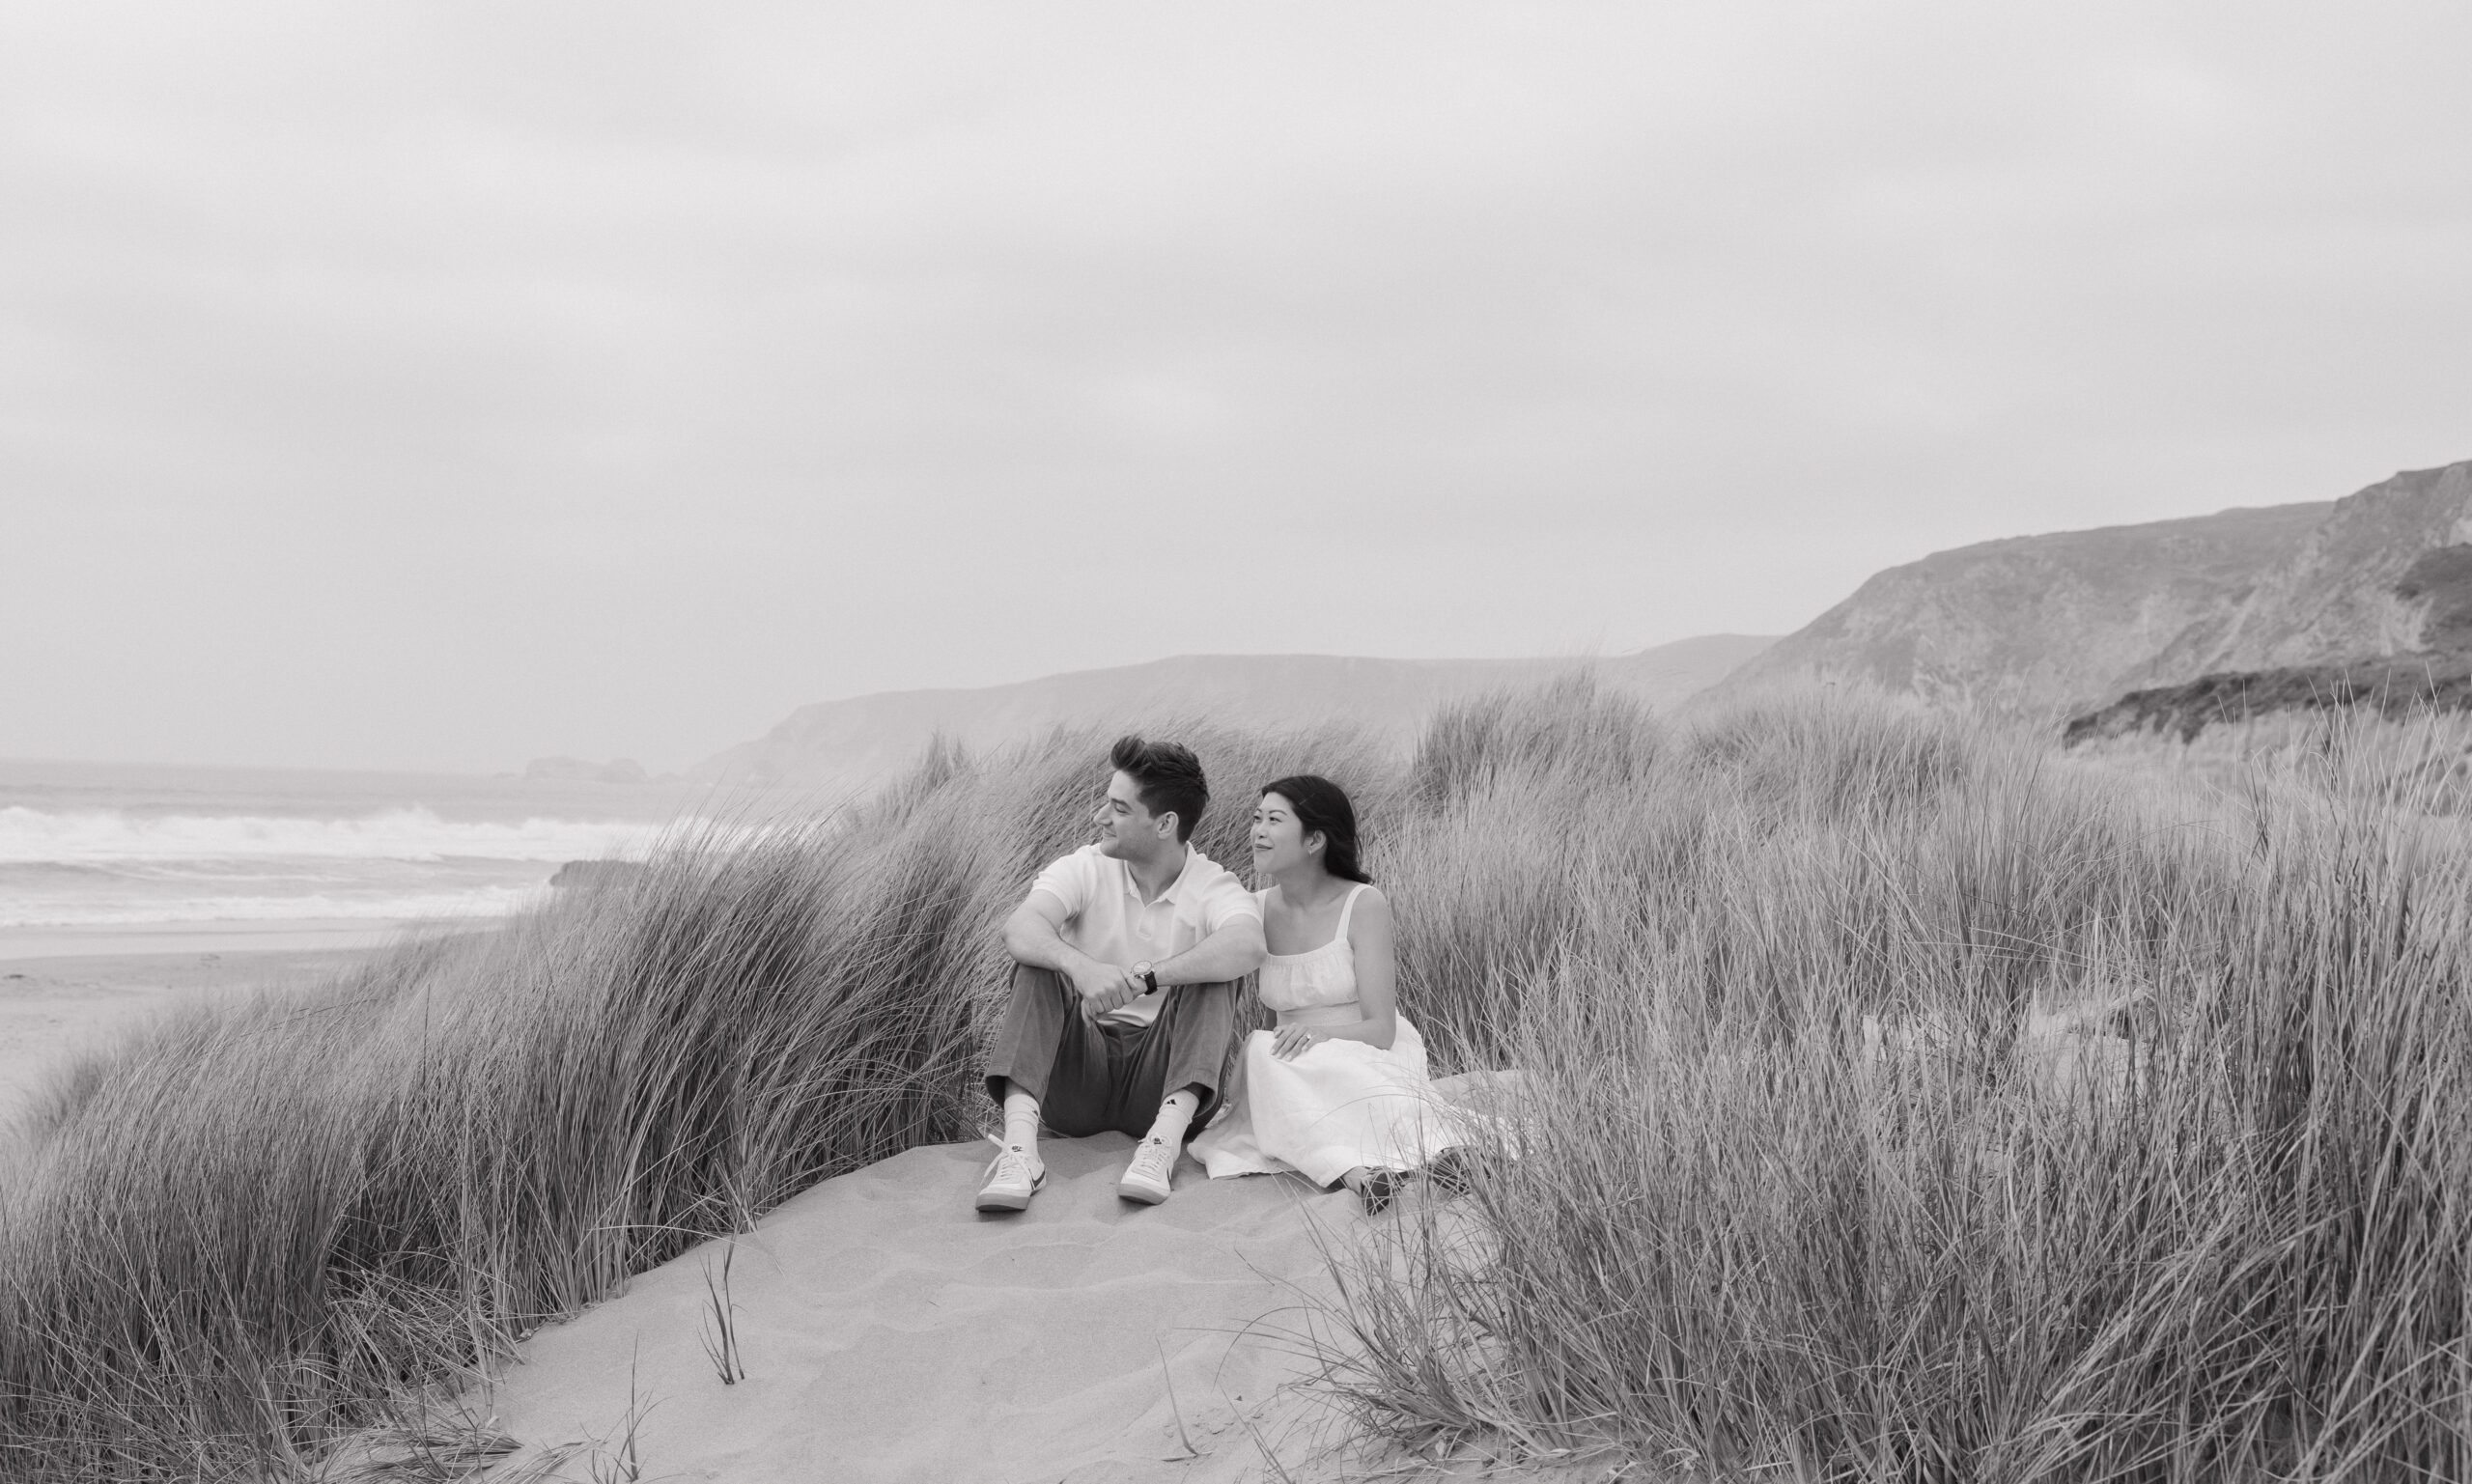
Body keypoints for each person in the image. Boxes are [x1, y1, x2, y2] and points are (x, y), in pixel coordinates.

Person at [976, 736, 1267, 1212]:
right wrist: (1080, 966)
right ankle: (1020, 1151)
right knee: (1039, 963)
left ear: (1164, 824)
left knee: (1214, 969)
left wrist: (1151, 976)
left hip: (1161, 1085)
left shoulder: (1212, 884)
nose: (1099, 818)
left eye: (1119, 808)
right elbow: (1020, 929)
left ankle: (1161, 1147)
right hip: (1077, 1081)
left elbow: (1248, 945)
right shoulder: (1086, 867)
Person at [1189, 774, 1464, 1212]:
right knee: (1263, 1049)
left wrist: (1321, 1036)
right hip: (1290, 1059)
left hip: (1365, 1049)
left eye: (1274, 820)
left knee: (1315, 1073)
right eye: (1256, 819)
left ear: (1315, 839)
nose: (1257, 831)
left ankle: (1441, 1157)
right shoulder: (1253, 908)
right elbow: (1270, 1017)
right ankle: (1360, 1174)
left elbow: (1382, 1029)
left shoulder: (1364, 904)